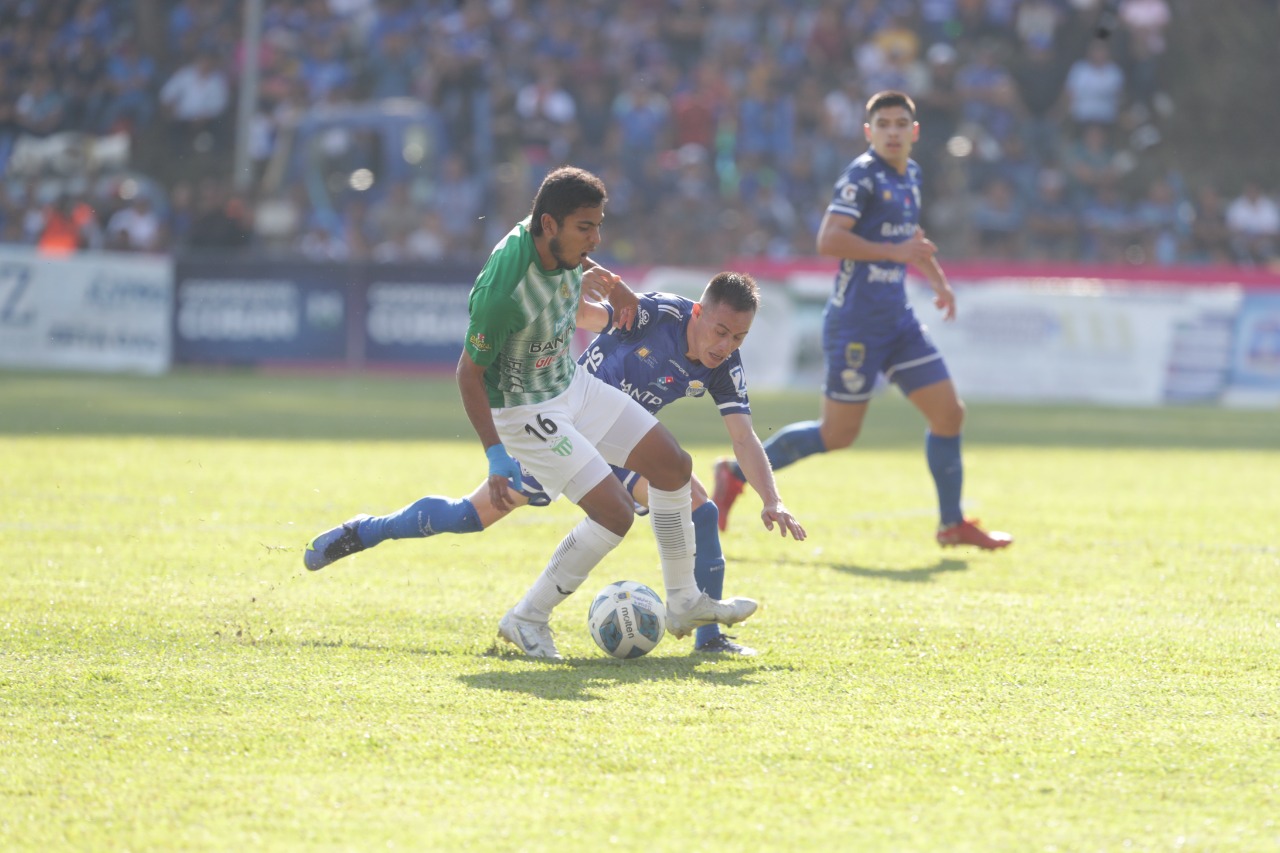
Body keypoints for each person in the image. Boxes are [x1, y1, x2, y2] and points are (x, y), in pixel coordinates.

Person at [306, 167, 758, 660]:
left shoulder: (559, 241)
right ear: (548, 225)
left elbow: (577, 260)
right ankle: (516, 613)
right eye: (586, 228)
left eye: (597, 225)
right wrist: (496, 455)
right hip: (524, 413)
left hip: (572, 385)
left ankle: (685, 603)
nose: (595, 238)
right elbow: (467, 375)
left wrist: (614, 283)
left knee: (674, 466)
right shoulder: (503, 291)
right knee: (576, 514)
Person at [712, 91, 1013, 551]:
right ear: (869, 132)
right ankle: (733, 475)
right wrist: (895, 253)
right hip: (856, 323)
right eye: (883, 124)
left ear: (913, 132)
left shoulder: (911, 174)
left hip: (899, 321)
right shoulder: (861, 178)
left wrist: (937, 280)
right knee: (837, 434)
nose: (892, 131)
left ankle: (951, 525)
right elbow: (829, 239)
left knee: (949, 413)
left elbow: (909, 236)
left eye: (900, 124)